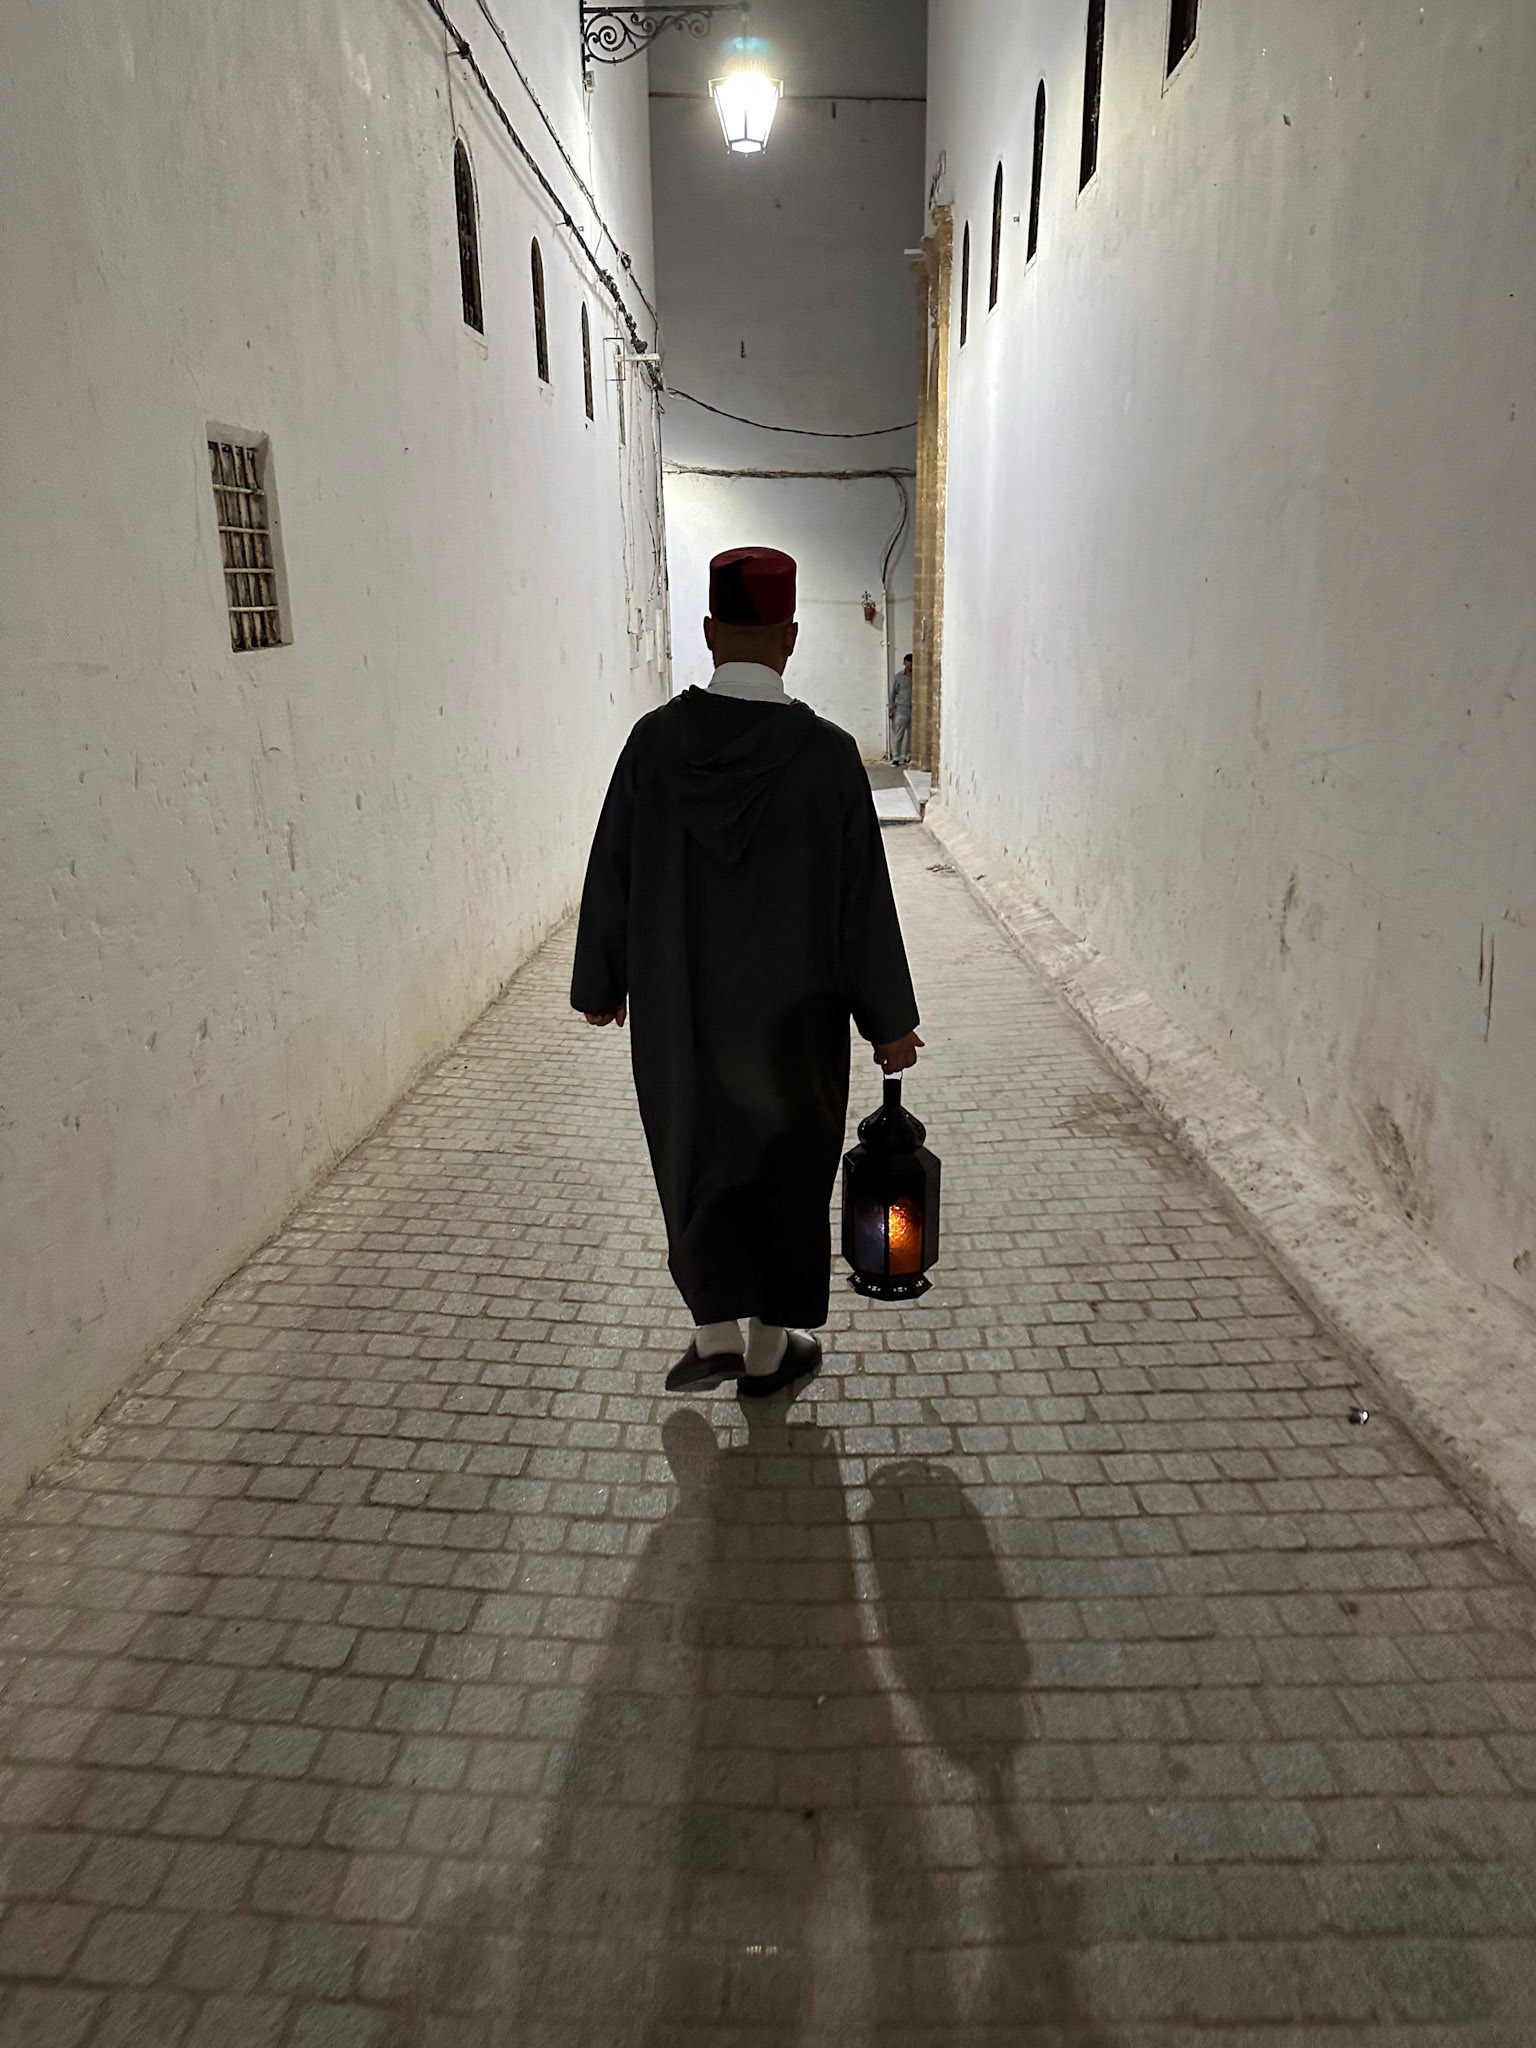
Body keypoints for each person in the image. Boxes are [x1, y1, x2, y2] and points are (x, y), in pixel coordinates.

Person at [571, 546, 923, 1399]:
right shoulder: (829, 757)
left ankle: (713, 1334)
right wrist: (889, 1021)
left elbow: (610, 868)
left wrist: (602, 983)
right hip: (794, 1026)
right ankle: (770, 1356)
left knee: (694, 1158)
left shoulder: (653, 748)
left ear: (706, 631)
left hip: (682, 1017)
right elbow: (860, 902)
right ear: (791, 637)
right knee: (787, 1170)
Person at [889, 651, 914, 766]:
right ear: (904, 662)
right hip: (901, 710)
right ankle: (896, 757)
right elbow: (893, 694)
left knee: (912, 736)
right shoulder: (899, 677)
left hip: (914, 710)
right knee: (899, 735)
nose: (910, 664)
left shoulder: (918, 677)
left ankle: (908, 756)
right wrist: (891, 708)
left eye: (912, 662)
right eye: (909, 662)